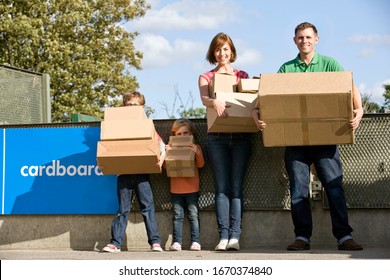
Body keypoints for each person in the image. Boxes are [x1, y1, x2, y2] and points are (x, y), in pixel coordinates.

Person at [254, 22, 363, 251]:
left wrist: (359, 110)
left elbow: (350, 87)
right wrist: (256, 114)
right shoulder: (286, 68)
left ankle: (344, 236)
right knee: (298, 189)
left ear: (316, 39)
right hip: (295, 141)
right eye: (300, 38)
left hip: (325, 139)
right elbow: (267, 97)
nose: (304, 41)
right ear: (295, 41)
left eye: (308, 37)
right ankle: (302, 237)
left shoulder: (329, 64)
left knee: (334, 187)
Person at [198, 32, 252, 251]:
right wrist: (214, 101)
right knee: (221, 188)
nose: (222, 53)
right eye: (218, 49)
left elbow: (250, 98)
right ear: (213, 52)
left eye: (226, 49)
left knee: (236, 188)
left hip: (241, 136)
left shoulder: (242, 75)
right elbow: (203, 98)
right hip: (217, 138)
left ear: (232, 52)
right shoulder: (206, 77)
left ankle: (235, 237)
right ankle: (223, 236)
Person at [102, 91, 165, 253]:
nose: (132, 107)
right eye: (129, 104)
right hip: (123, 172)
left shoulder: (146, 123)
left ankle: (155, 242)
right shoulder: (117, 124)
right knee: (123, 209)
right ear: (124, 106)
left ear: (142, 107)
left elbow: (160, 144)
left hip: (142, 172)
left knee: (147, 207)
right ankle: (115, 243)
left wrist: (162, 158)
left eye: (136, 105)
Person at [165, 119, 205, 251]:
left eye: (186, 133)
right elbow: (166, 167)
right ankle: (177, 242)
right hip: (176, 188)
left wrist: (197, 153)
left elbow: (201, 164)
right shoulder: (170, 147)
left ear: (191, 133)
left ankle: (196, 241)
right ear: (174, 135)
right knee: (177, 216)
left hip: (192, 187)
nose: (183, 136)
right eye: (179, 134)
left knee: (193, 215)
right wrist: (166, 153)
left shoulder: (196, 147)